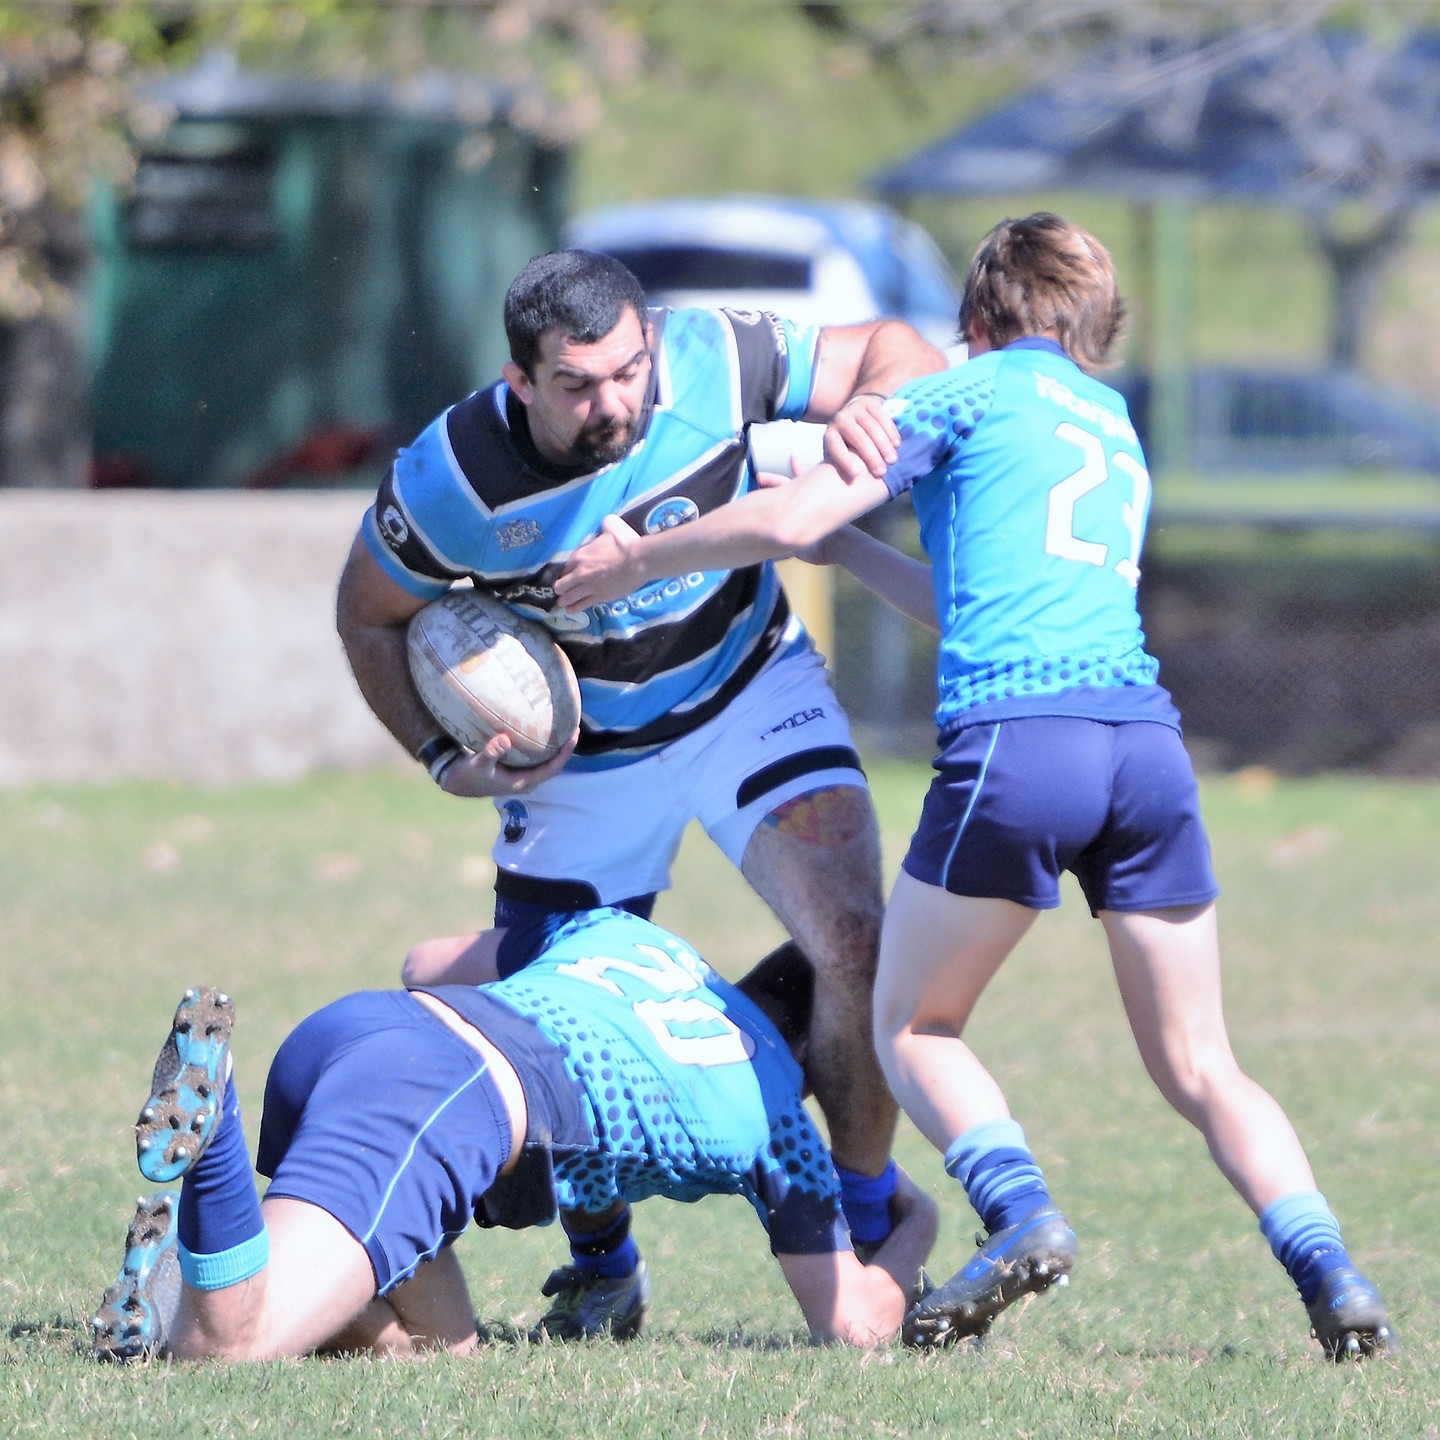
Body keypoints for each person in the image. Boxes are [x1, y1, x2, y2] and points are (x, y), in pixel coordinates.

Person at [553, 212, 1395, 1361]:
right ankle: (1335, 1276)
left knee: (910, 1022)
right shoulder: (1112, 423)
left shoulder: (965, 391)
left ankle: (1019, 1212)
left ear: (979, 316)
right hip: (1144, 749)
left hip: (1022, 745)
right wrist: (849, 552)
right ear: (1093, 322)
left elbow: (793, 510)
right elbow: (970, 602)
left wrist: (634, 558)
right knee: (1203, 1063)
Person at [334, 248, 947, 1334]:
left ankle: (863, 1224)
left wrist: (878, 405)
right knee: (557, 1020)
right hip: (583, 759)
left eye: (628, 371)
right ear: (520, 380)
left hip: (747, 691)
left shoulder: (717, 354)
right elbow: (366, 614)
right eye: (577, 386)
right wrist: (440, 754)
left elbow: (897, 348)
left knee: (857, 939)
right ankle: (604, 1265)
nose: (614, 402)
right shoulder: (448, 483)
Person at [91, 910, 937, 1363]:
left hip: (369, 1032)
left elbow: (427, 960)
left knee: (441, 1355)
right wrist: (918, 1225)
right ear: (830, 1051)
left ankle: (172, 1283)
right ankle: (214, 1128)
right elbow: (855, 1327)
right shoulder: (778, 1119)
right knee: (229, 1347)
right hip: (444, 1101)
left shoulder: (636, 940)